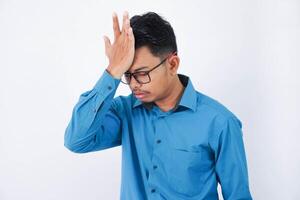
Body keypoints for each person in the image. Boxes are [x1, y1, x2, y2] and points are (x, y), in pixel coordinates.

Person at [64, 11, 253, 200]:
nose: (134, 84)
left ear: (172, 64)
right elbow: (76, 140)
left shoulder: (220, 123)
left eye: (142, 73)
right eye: (127, 74)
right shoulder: (125, 112)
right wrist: (113, 71)